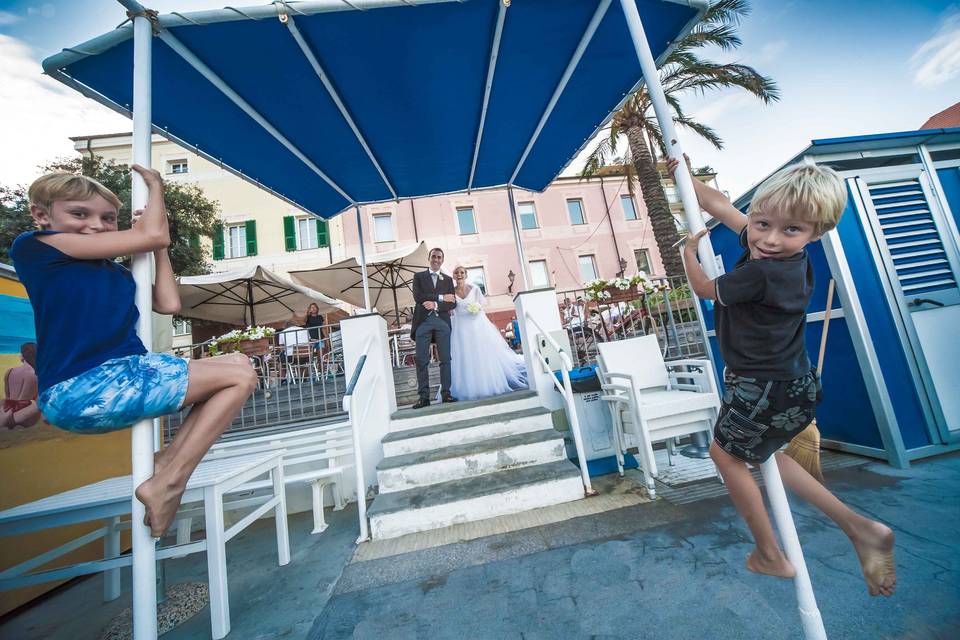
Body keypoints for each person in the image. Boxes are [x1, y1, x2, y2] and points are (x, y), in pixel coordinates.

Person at [670, 153, 896, 597]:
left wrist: (688, 252)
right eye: (762, 224)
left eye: (790, 230)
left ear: (816, 233)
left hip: (760, 388)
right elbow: (721, 206)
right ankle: (860, 529)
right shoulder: (786, 255)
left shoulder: (761, 272)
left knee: (725, 456)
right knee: (768, 455)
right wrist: (687, 177)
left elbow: (703, 289)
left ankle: (770, 553)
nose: (770, 239)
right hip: (794, 385)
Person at [10, 168, 258, 538]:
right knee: (240, 375)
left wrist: (159, 249)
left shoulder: (117, 273)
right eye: (80, 214)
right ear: (42, 215)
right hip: (83, 385)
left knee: (238, 365)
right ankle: (170, 479)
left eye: (108, 218)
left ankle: (169, 463)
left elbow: (170, 302)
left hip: (116, 376)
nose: (96, 225)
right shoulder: (37, 248)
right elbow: (152, 232)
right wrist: (156, 188)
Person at [449, 266, 527, 401]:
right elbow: (450, 309)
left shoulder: (475, 289)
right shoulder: (450, 293)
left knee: (481, 354)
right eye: (457, 273)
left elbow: (481, 305)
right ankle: (468, 388)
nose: (459, 274)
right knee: (465, 356)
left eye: (462, 272)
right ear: (454, 276)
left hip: (476, 327)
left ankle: (487, 385)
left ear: (466, 275)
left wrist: (477, 309)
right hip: (460, 329)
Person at [410, 247, 457, 409]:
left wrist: (436, 304)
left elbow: (453, 303)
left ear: (442, 260)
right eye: (433, 257)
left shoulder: (448, 280)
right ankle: (424, 397)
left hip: (442, 322)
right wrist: (441, 297)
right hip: (423, 322)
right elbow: (418, 297)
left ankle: (446, 393)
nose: (436, 260)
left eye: (439, 257)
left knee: (445, 359)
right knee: (422, 360)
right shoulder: (419, 276)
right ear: (429, 258)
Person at [1, 342, 42, 430]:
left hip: (7, 409)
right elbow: (37, 398)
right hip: (25, 415)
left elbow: (7, 395)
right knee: (37, 404)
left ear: (22, 356)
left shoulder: (9, 371)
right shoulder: (36, 375)